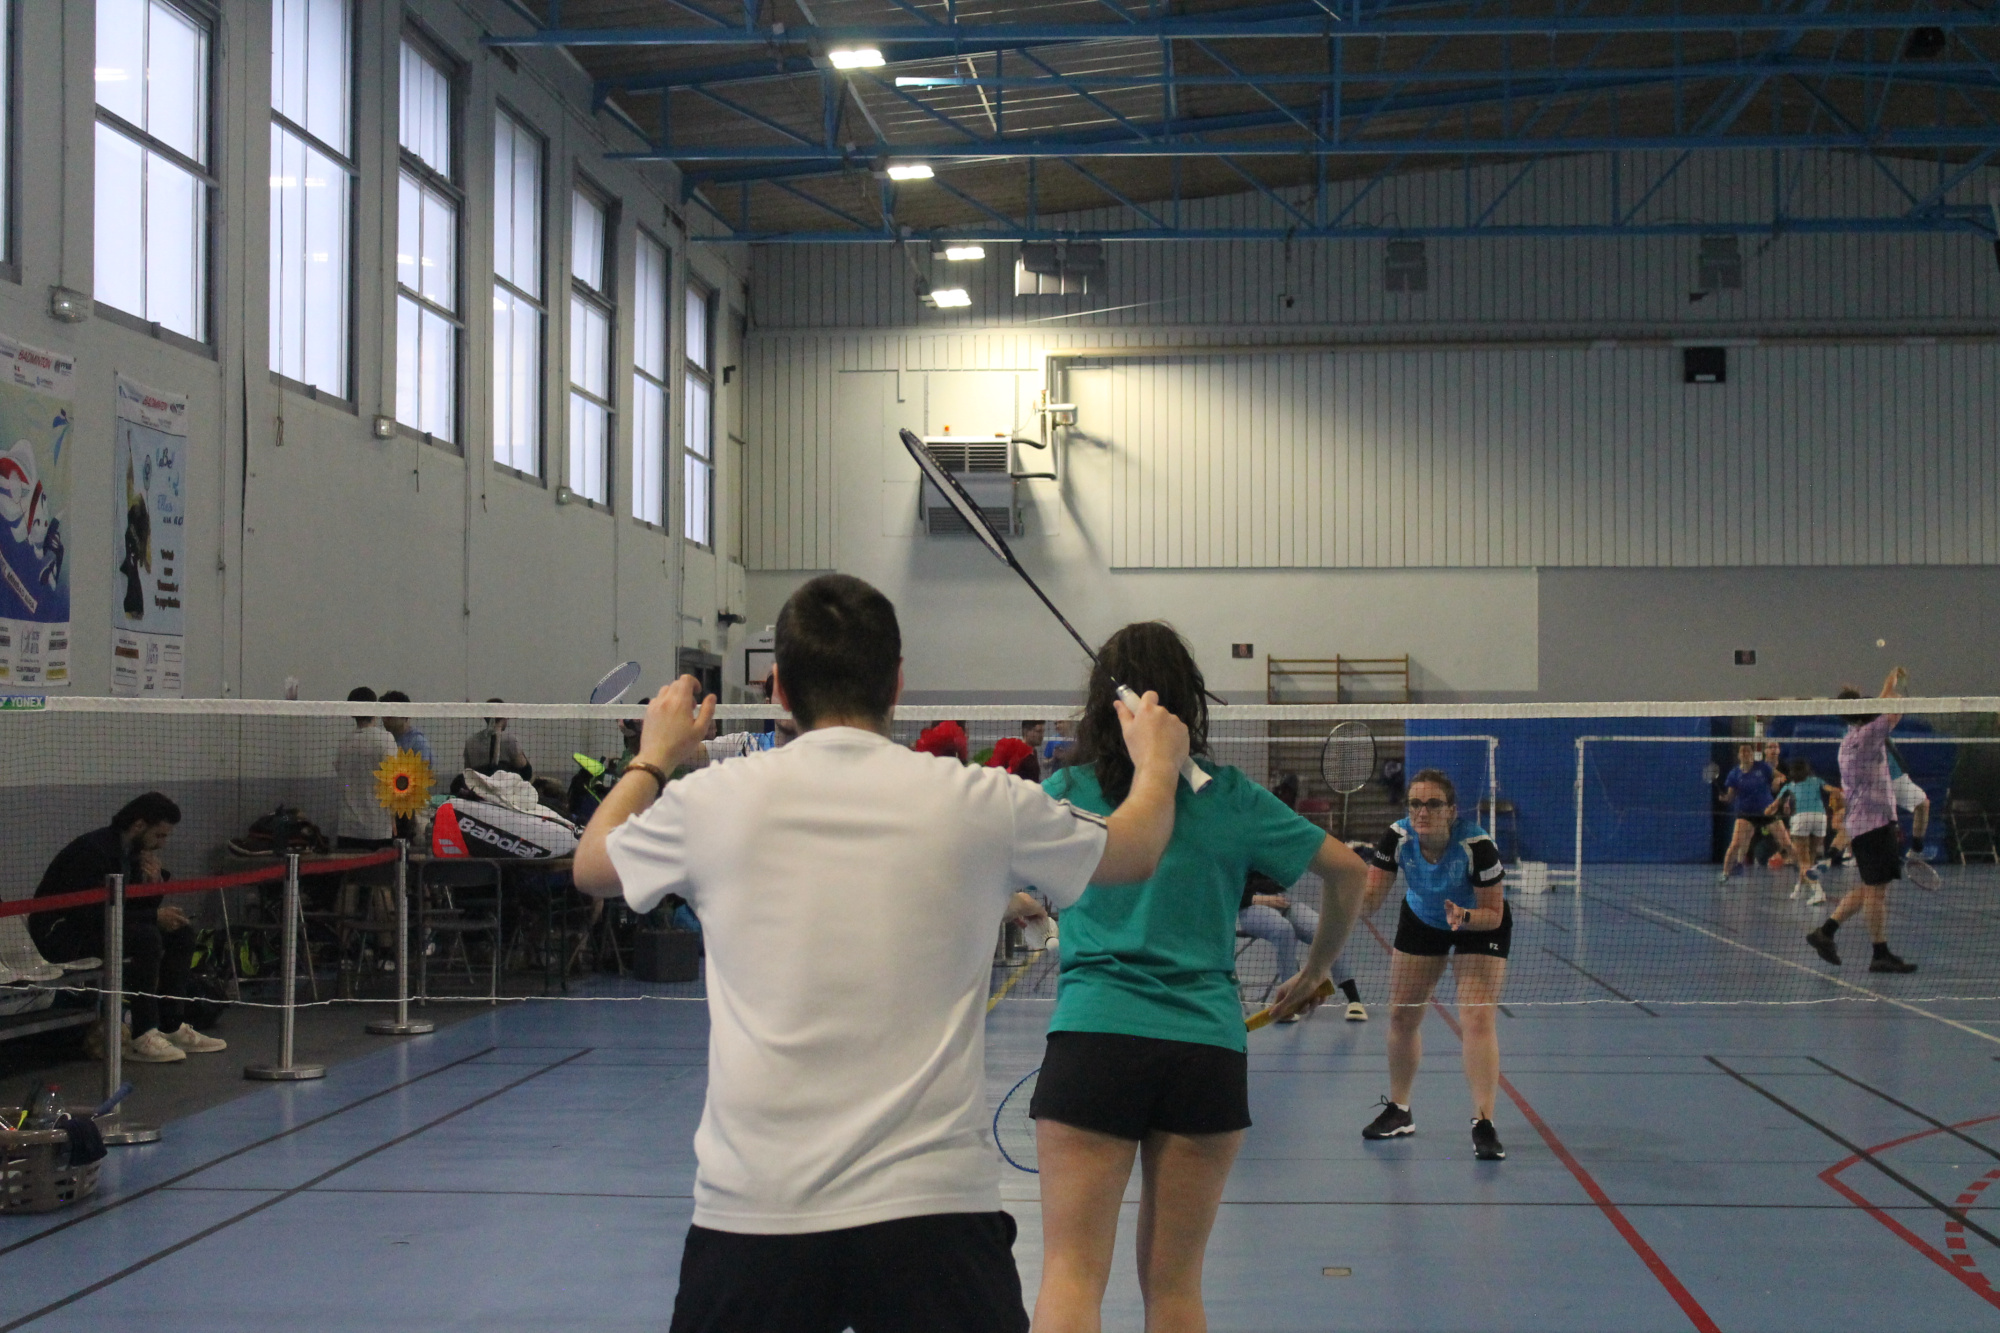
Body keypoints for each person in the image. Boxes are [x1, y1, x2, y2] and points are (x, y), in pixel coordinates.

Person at [571, 573, 1190, 1333]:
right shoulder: (980, 800)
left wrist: (654, 756)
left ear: (776, 687)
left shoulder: (710, 801)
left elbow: (592, 864)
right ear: (898, 681)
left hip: (755, 1214)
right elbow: (1135, 849)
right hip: (935, 1220)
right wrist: (1156, 763)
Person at [1031, 623, 1370, 1333]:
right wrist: (1316, 971)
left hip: (1095, 1040)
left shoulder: (1064, 791)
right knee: (1177, 1291)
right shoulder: (1232, 797)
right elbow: (1349, 872)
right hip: (1205, 1052)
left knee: (1071, 1276)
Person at [1357, 768, 1510, 1162]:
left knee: (1477, 1017)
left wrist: (1465, 916)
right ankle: (1400, 1111)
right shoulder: (1398, 837)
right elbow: (1370, 900)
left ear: (1451, 810)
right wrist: (1346, 891)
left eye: (1432, 804)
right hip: (1423, 919)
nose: (1422, 812)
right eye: (1415, 804)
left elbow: (1494, 913)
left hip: (1477, 922)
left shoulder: (1477, 846)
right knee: (1402, 1016)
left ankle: (1483, 1122)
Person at [30, 793, 226, 1064]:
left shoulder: (132, 854)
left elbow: (130, 909)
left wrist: (153, 885)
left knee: (180, 933)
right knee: (146, 938)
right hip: (61, 934)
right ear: (138, 825)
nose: (162, 844)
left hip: (96, 926)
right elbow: (89, 914)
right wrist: (153, 917)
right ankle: (143, 1034)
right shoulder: (91, 851)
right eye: (159, 835)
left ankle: (171, 1025)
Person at [1808, 669, 1919, 974]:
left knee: (1871, 887)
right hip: (1874, 824)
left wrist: (1885, 688)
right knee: (1877, 891)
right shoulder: (1868, 736)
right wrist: (1892, 685)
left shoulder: (1849, 739)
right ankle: (1879, 954)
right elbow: (1894, 709)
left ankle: (1825, 933)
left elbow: (1878, 708)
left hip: (1863, 823)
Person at [1237, 774, 1365, 1022]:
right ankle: (1289, 1002)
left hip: (1282, 901)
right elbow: (1231, 891)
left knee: (1325, 929)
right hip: (1249, 907)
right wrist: (1261, 900)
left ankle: (1354, 999)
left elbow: (1284, 877)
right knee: (1283, 931)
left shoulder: (1274, 838)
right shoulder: (1237, 842)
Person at [1717, 742, 1798, 885]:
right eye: (1743, 751)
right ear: (1739, 755)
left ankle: (1802, 868)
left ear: (1752, 754)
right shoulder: (1734, 774)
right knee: (1735, 844)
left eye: (1748, 751)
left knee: (1786, 842)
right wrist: (1725, 798)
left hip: (1767, 811)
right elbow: (1730, 796)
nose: (1745, 754)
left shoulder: (1763, 767)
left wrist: (1778, 780)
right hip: (1746, 813)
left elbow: (1782, 777)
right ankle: (1725, 873)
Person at [335, 687, 397, 849]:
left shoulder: (344, 744)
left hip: (347, 828)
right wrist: (393, 819)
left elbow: (341, 774)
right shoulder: (386, 739)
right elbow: (394, 781)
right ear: (374, 708)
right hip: (378, 828)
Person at [1783, 759, 1840, 907]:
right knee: (1810, 858)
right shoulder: (1817, 781)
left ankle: (1818, 892)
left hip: (1801, 820)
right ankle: (1800, 888)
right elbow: (1832, 790)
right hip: (1820, 819)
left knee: (1803, 861)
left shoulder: (1791, 785)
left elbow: (1777, 806)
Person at [1887, 739, 1932, 863]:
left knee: (1923, 804)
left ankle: (1916, 850)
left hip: (1896, 778)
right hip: (1873, 782)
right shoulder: (1853, 734)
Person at [464, 700, 532, 778]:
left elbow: (467, 772)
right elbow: (525, 771)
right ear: (504, 715)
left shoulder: (470, 742)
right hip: (504, 784)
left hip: (479, 784)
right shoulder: (509, 740)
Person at [378, 690, 435, 771]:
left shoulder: (418, 742)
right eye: (383, 716)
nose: (384, 720)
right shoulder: (386, 739)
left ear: (404, 714)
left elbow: (423, 772)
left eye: (389, 716)